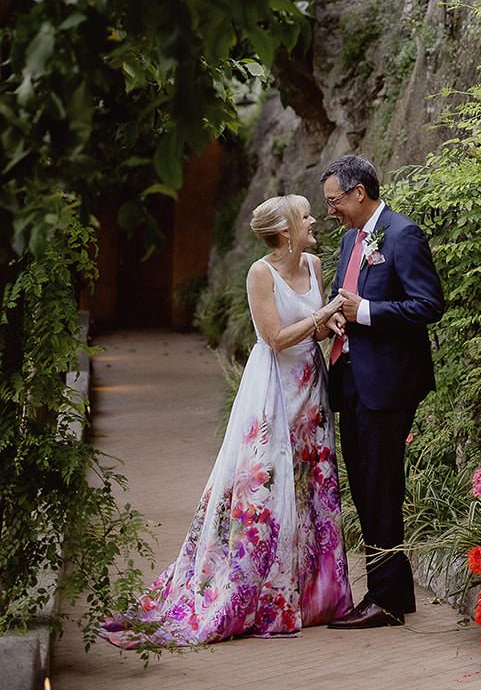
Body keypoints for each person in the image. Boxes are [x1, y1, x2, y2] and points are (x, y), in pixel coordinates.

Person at [102, 194, 352, 647]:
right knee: (266, 489)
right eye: (305, 215)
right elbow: (274, 338)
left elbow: (311, 327)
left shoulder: (314, 265)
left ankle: (314, 595)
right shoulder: (261, 272)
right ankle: (260, 596)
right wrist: (324, 313)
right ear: (284, 231)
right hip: (273, 389)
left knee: (310, 484)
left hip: (310, 389)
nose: (314, 219)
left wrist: (327, 325)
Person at [321, 152, 445, 629]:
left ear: (358, 193)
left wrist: (366, 312)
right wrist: (337, 313)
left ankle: (385, 600)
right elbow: (344, 296)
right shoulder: (352, 239)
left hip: (389, 384)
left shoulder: (402, 234)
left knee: (380, 487)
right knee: (367, 488)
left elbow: (428, 304)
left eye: (335, 200)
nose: (330, 209)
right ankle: (395, 592)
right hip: (351, 379)